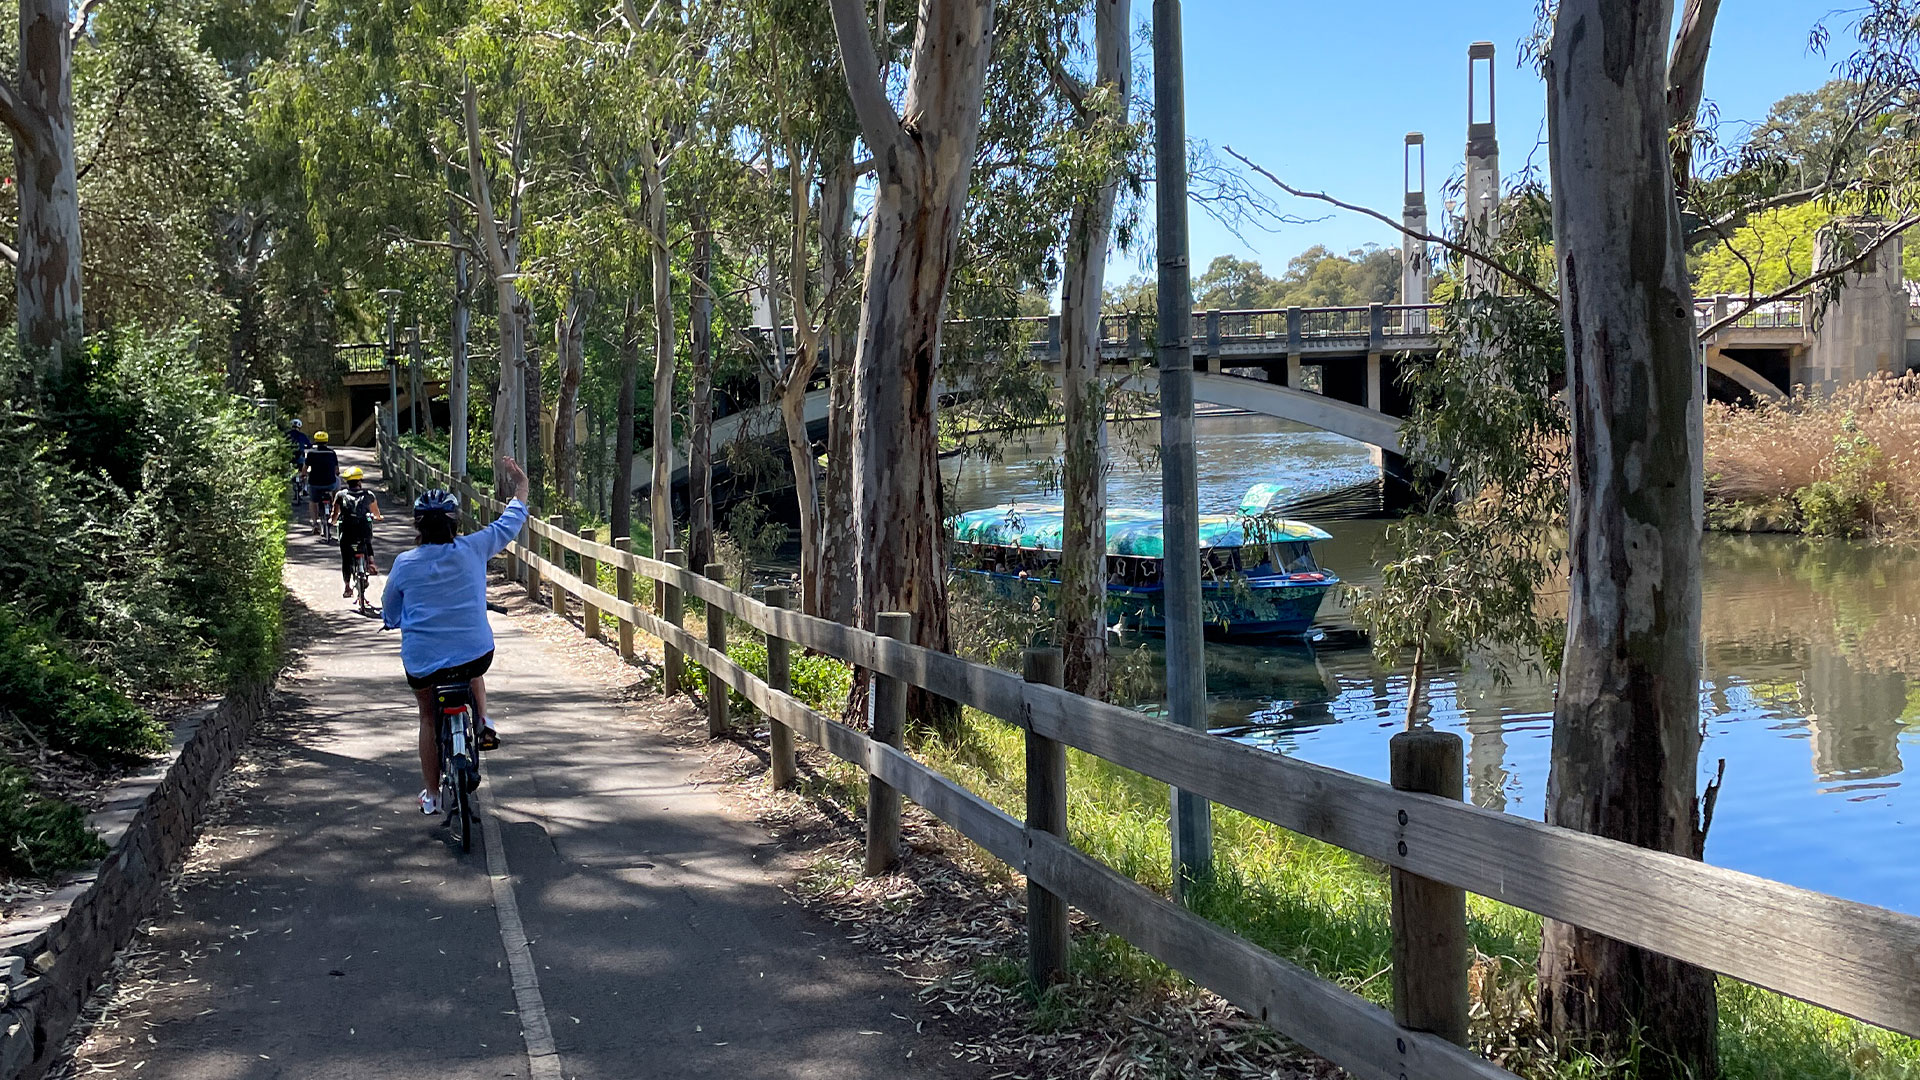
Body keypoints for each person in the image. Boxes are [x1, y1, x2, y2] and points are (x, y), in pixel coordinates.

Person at [382, 457, 529, 815]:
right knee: (471, 665)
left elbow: (390, 607)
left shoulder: (404, 563)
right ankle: (481, 722)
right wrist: (520, 484)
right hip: (475, 652)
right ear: (455, 523)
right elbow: (511, 520)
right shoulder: (475, 547)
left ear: (418, 526)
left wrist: (394, 620)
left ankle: (432, 795)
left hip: (423, 661)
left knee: (428, 718)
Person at [331, 467, 384, 598]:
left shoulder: (340, 495)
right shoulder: (369, 495)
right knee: (366, 540)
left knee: (346, 556)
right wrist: (378, 517)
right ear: (360, 480)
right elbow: (376, 512)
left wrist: (332, 521)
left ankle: (347, 587)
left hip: (347, 531)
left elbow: (334, 514)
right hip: (363, 529)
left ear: (347, 482)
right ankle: (371, 562)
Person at [302, 431, 340, 532]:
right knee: (337, 483)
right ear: (326, 441)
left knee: (313, 501)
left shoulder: (311, 453)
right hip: (329, 483)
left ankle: (315, 524)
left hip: (315, 483)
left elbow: (305, 468)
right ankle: (335, 503)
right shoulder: (332, 453)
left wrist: (303, 475)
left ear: (315, 441)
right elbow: (337, 470)